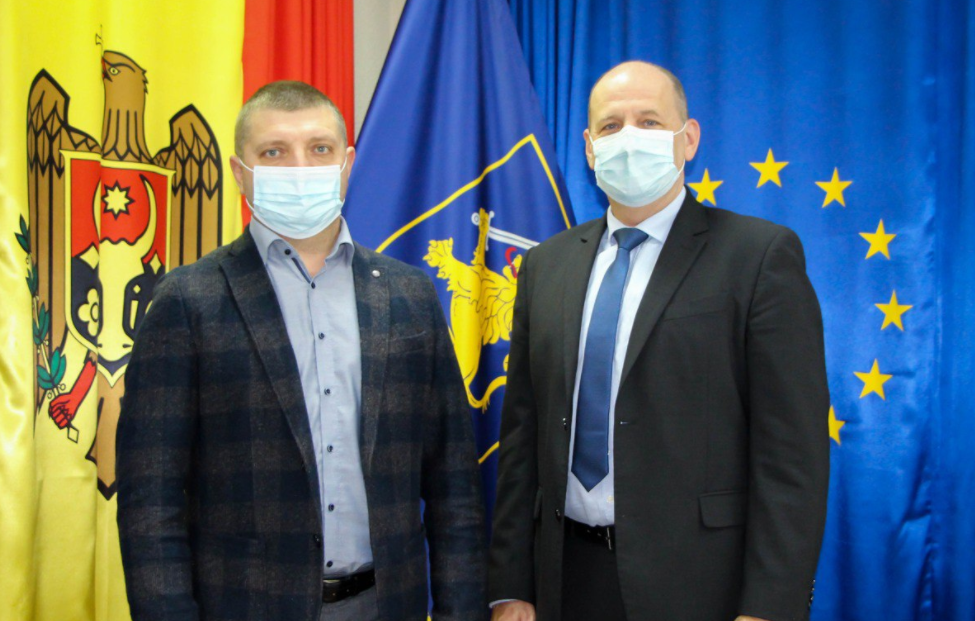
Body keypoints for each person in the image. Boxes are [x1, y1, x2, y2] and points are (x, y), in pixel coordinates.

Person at [116, 80, 487, 621]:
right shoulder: (187, 301)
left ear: (347, 163)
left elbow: (454, 485)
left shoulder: (409, 294)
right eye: (274, 152)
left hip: (388, 604)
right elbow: (151, 501)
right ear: (240, 171)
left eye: (319, 149)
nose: (299, 168)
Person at [487, 61, 830, 621]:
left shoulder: (757, 257)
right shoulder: (546, 266)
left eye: (649, 122)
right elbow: (522, 438)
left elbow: (792, 456)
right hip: (564, 579)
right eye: (611, 125)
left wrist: (770, 607)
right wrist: (510, 585)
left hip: (701, 585)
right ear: (589, 148)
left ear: (687, 139)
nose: (629, 138)